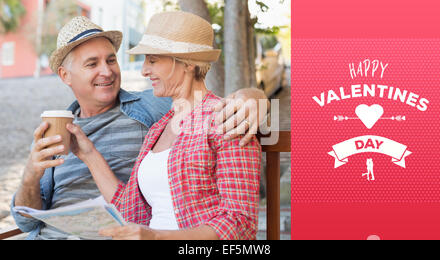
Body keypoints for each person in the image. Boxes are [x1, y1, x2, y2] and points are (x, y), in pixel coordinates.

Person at [11, 15, 267, 240]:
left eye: (152, 60)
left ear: (188, 62)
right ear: (64, 75)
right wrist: (80, 156)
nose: (143, 70)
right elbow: (129, 210)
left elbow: (240, 223)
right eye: (92, 63)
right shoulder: (159, 128)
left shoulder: (211, 116)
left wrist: (254, 97)